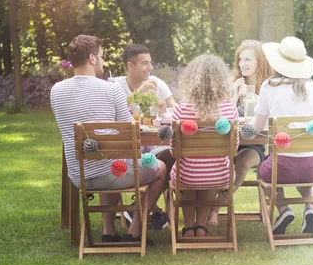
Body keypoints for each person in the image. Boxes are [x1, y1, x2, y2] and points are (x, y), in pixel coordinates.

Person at [50, 35, 167, 243]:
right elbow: (130, 130)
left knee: (111, 161)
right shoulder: (111, 89)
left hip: (79, 177)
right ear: (92, 59)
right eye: (102, 57)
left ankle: (108, 232)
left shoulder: (56, 91)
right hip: (111, 172)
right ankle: (135, 232)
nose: (103, 62)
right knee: (159, 168)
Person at [252, 36, 313, 235]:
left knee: (261, 170)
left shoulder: (269, 86)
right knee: (304, 164)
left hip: (281, 169)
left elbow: (257, 127)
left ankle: (283, 209)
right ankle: (310, 209)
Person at [169, 54, 239, 238]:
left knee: (188, 173)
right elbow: (235, 148)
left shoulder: (182, 108)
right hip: (220, 175)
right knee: (211, 171)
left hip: (187, 175)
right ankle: (201, 227)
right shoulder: (229, 109)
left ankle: (188, 228)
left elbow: (173, 150)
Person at [113, 44, 176, 229]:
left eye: (151, 63)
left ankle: (137, 208)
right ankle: (149, 208)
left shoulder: (157, 82)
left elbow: (175, 110)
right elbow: (115, 111)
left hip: (153, 144)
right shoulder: (115, 85)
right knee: (155, 164)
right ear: (130, 66)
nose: (150, 68)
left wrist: (165, 111)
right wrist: (140, 91)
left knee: (173, 155)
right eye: (145, 63)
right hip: (127, 150)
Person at [220, 40, 274, 222]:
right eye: (240, 60)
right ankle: (202, 207)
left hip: (254, 145)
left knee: (242, 161)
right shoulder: (231, 83)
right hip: (225, 145)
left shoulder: (267, 86)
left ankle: (216, 207)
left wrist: (252, 97)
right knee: (211, 162)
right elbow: (219, 116)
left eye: (248, 60)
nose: (243, 64)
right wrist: (234, 96)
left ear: (260, 61)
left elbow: (269, 117)